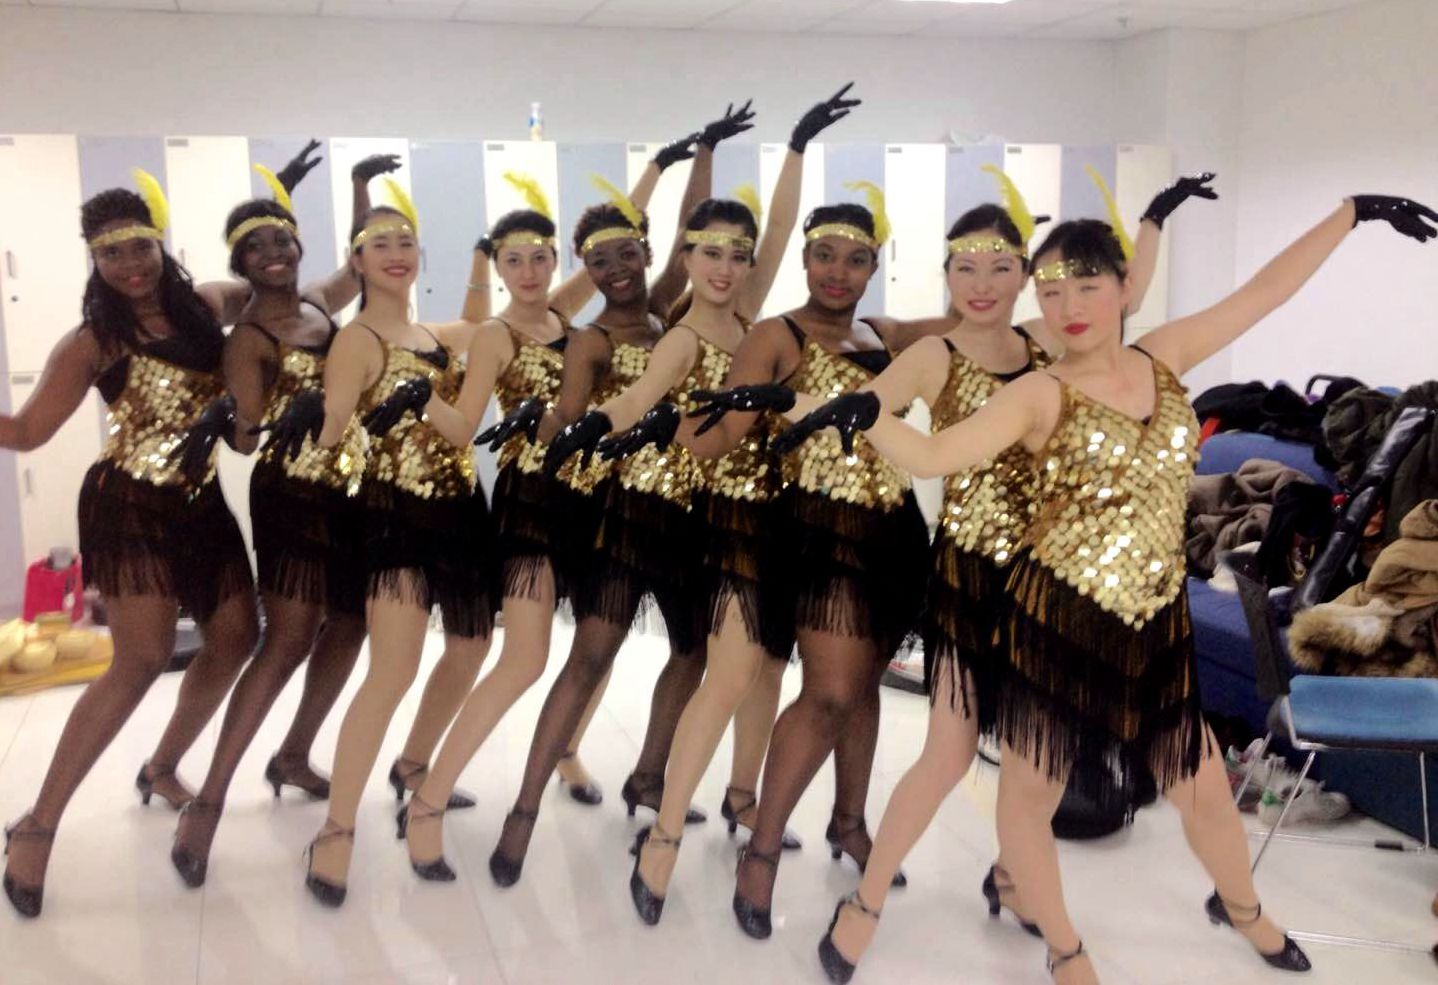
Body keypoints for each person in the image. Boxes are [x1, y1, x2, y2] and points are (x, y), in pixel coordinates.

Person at [782, 192, 1436, 982]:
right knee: (1028, 795)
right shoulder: (1038, 391)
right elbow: (933, 455)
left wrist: (1350, 213)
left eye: (1087, 285)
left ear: (1125, 287)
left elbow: (1265, 292)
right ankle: (1063, 947)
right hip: (1055, 621)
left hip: (1155, 621)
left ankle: (1245, 909)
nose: (1068, 307)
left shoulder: (1166, 355)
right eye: (1052, 290)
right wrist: (847, 409)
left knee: (1201, 785)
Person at [0, 173, 258, 917]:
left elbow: (267, 291)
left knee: (236, 637)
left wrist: (281, 241)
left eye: (137, 246)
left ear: (159, 242)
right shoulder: (93, 341)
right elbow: (27, 431)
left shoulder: (208, 304)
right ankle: (38, 823)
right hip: (130, 507)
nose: (129, 264)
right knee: (140, 659)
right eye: (109, 253)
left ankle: (162, 766)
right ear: (94, 260)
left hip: (201, 504)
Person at [166, 149, 411, 887]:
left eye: (282, 239)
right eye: (256, 245)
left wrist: (359, 185)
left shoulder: (317, 305)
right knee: (288, 639)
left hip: (349, 489)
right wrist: (255, 418)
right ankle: (208, 800)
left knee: (352, 623)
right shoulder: (249, 335)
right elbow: (247, 437)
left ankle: (295, 754)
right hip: (291, 495)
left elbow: (358, 263)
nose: (273, 253)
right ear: (239, 261)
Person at [300, 192, 499, 907]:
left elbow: (483, 326)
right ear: (356, 261)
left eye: (406, 241)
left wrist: (482, 257)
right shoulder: (357, 341)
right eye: (379, 243)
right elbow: (332, 429)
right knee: (392, 670)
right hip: (394, 517)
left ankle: (414, 765)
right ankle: (336, 829)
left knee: (471, 647)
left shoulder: (431, 334)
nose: (395, 253)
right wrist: (314, 420)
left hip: (459, 511)